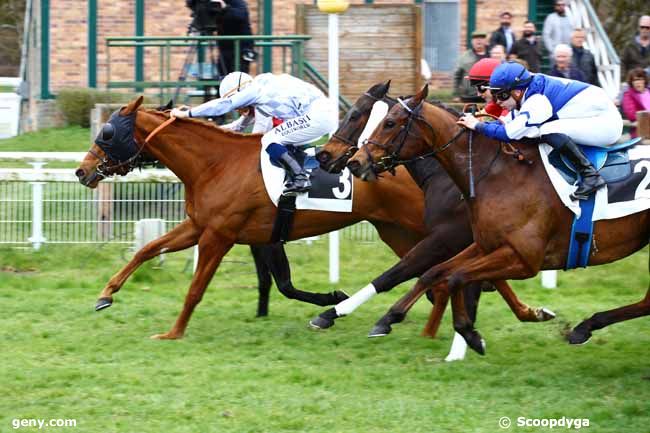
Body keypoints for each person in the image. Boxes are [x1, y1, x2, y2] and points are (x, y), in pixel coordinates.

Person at [456, 61, 623, 200]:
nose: (498, 101)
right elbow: (504, 124)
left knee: (546, 129)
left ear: (517, 91)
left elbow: (508, 133)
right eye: (496, 95)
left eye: (502, 96)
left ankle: (590, 176)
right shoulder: (525, 90)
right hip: (590, 114)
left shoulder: (537, 102)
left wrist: (477, 125)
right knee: (533, 130)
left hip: (606, 123)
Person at [170, 72, 337, 195]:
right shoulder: (263, 94)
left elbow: (224, 106)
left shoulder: (255, 91)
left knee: (270, 139)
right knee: (278, 140)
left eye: (238, 105)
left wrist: (188, 114)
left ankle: (300, 179)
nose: (239, 110)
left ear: (241, 93)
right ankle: (301, 174)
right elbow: (238, 128)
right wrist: (205, 133)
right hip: (320, 113)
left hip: (317, 115)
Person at [214, 0, 255, 75]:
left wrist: (225, 8)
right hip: (225, 48)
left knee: (239, 77)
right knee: (222, 77)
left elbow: (240, 16)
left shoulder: (237, 2)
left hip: (241, 48)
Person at [453, 30, 489, 102]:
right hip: (469, 96)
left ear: (486, 41)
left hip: (489, 96)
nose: (478, 40)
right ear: (472, 41)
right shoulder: (464, 57)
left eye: (481, 38)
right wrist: (456, 94)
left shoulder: (492, 55)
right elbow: (457, 76)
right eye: (475, 38)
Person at [621, 68, 650, 138]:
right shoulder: (628, 95)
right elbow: (632, 115)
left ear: (644, 80)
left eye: (640, 79)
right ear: (631, 82)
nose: (637, 82)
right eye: (634, 80)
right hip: (641, 130)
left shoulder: (649, 91)